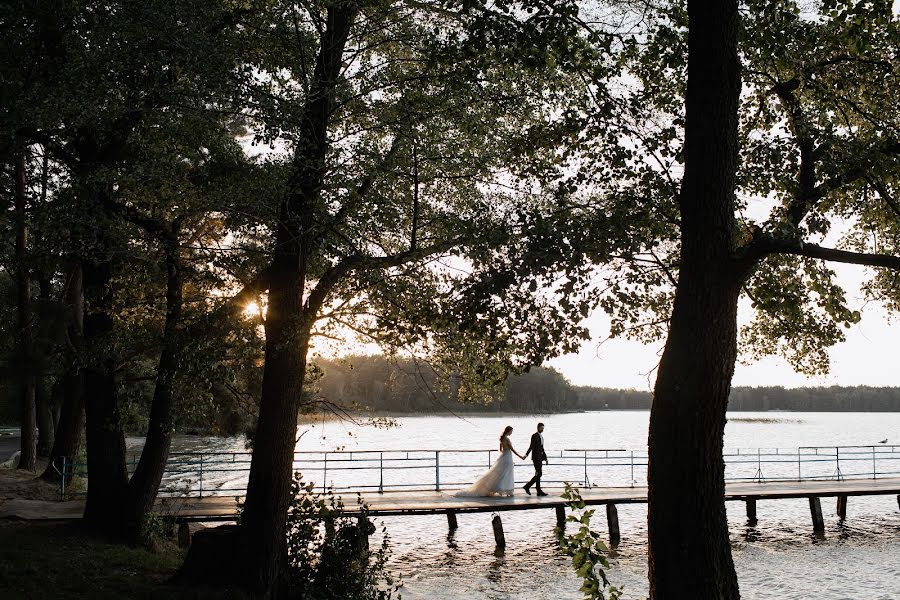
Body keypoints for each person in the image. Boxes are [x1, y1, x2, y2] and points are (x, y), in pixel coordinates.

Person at [455, 426, 524, 497]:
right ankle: (507, 490)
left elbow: (501, 450)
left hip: (504, 456)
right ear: (508, 431)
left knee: (502, 473)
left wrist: (505, 454)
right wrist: (520, 456)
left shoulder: (502, 439)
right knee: (507, 474)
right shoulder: (507, 439)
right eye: (511, 431)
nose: (511, 433)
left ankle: (502, 488)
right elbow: (512, 449)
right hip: (508, 457)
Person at [523, 422, 548, 496]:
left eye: (543, 428)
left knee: (538, 474)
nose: (542, 429)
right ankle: (527, 486)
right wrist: (526, 455)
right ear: (538, 428)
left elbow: (542, 448)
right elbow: (531, 446)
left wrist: (545, 458)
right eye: (541, 428)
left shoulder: (541, 436)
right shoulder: (534, 436)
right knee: (539, 473)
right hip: (536, 458)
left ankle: (538, 491)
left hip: (540, 458)